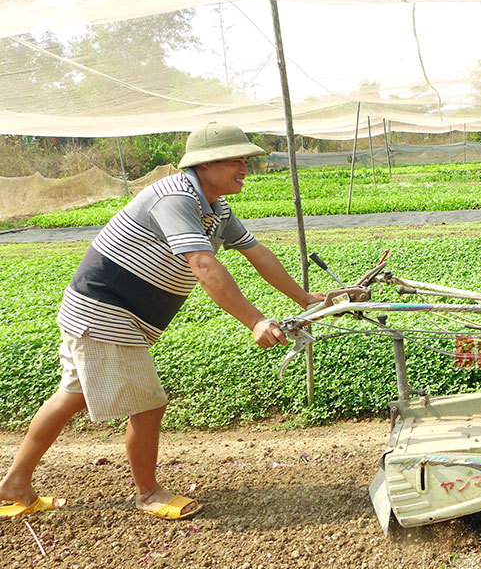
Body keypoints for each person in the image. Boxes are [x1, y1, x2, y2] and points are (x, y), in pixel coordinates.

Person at [0, 122, 324, 520]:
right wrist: (255, 320)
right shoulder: (176, 197)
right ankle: (148, 492)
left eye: (245, 160)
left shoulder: (216, 207)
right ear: (204, 164)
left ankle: (15, 483)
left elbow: (257, 252)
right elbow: (204, 265)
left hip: (99, 310)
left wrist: (306, 297)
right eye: (235, 161)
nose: (244, 168)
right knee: (149, 405)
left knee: (74, 395)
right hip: (106, 311)